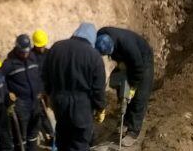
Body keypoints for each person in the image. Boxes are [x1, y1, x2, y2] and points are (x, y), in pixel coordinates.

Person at [42, 23, 106, 151]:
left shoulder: (56, 48)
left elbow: (45, 74)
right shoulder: (94, 56)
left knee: (63, 140)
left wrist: (49, 94)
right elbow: (98, 88)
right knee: (79, 143)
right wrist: (100, 108)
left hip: (59, 104)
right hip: (81, 108)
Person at [95, 27, 154, 146]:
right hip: (125, 58)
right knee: (118, 83)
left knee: (139, 97)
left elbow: (138, 68)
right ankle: (125, 120)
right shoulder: (101, 35)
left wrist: (133, 87)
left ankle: (133, 131)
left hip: (142, 61)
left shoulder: (128, 46)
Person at [1, 34, 43, 151]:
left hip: (35, 101)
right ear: (17, 49)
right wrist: (7, 93)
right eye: (22, 52)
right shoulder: (9, 64)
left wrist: (41, 89)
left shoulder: (33, 58)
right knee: (20, 135)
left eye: (27, 52)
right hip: (20, 104)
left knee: (33, 131)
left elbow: (39, 75)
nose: (25, 55)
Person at [32, 29, 55, 145]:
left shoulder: (50, 53)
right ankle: (51, 135)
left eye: (43, 45)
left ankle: (55, 135)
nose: (41, 48)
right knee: (41, 113)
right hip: (38, 91)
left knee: (53, 112)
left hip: (50, 89)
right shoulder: (30, 56)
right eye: (38, 46)